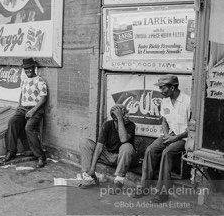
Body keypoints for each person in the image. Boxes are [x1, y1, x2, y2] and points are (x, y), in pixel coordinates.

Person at [130, 75, 191, 203]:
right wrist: (166, 135)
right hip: (169, 135)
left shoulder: (188, 101)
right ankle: (144, 186)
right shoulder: (165, 101)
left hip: (184, 138)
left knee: (166, 153)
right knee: (150, 149)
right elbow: (164, 120)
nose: (161, 91)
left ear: (172, 88)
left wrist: (175, 138)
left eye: (163, 88)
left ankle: (162, 192)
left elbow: (191, 129)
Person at [79, 104, 138, 193]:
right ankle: (90, 177)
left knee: (127, 146)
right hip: (109, 156)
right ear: (115, 118)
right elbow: (99, 147)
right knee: (85, 142)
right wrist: (92, 169)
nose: (128, 116)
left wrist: (120, 119)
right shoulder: (107, 125)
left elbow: (123, 139)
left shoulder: (131, 125)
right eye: (124, 114)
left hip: (124, 158)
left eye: (127, 113)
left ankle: (118, 182)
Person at [3, 58, 48, 168]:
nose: (28, 71)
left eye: (30, 68)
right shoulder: (24, 80)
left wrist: (33, 110)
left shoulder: (40, 81)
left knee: (29, 127)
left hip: (36, 109)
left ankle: (40, 156)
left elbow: (43, 98)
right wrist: (19, 106)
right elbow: (22, 94)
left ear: (34, 68)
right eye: (26, 69)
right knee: (12, 122)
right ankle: (11, 152)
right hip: (23, 108)